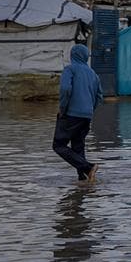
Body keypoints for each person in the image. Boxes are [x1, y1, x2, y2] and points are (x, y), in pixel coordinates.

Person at [53, 44, 104, 183]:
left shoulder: (70, 69)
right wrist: (90, 110)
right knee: (78, 146)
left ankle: (88, 168)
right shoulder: (93, 74)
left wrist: (63, 108)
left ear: (73, 55)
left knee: (58, 145)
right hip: (86, 116)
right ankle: (83, 179)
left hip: (71, 114)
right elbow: (100, 96)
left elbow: (65, 89)